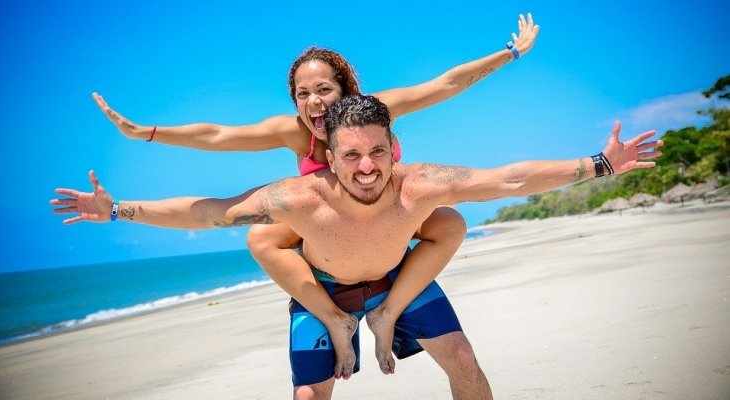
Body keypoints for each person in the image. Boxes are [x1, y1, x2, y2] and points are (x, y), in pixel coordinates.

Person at [52, 94, 662, 399]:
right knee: (309, 396)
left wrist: (602, 163)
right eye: (351, 155)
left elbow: (511, 178)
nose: (367, 167)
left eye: (377, 151)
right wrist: (117, 210)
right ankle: (344, 325)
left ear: (392, 145)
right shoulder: (297, 197)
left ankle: (388, 314)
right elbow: (211, 213)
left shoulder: (420, 183)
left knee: (463, 359)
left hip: (398, 278)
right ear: (329, 156)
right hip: (326, 292)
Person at [91, 14, 541, 378]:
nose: (314, 102)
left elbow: (444, 85)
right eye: (302, 94)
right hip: (329, 234)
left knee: (447, 222)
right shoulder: (294, 130)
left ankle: (390, 312)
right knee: (261, 235)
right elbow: (218, 135)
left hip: (386, 222)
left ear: (346, 90)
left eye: (324, 89)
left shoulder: (373, 111)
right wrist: (145, 133)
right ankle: (334, 318)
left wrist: (510, 53)